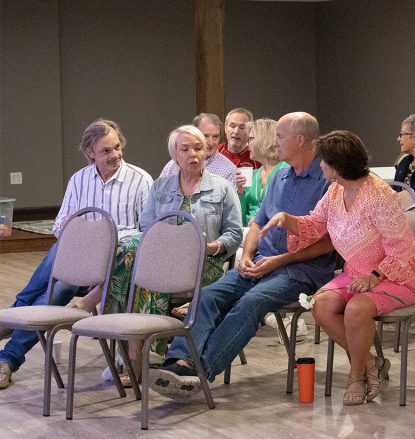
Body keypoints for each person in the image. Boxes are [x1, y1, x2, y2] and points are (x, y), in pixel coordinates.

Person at [149, 112, 337, 398]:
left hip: (301, 271)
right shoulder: (280, 176)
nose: (275, 142)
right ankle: (178, 362)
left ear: (300, 140)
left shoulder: (327, 179)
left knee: (251, 302)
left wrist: (280, 260)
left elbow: (331, 242)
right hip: (261, 262)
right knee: (208, 295)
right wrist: (248, 255)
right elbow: (257, 223)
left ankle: (199, 372)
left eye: (280, 137)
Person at [262, 130, 415, 405]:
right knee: (319, 305)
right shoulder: (336, 190)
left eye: (323, 161)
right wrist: (287, 219)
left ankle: (356, 375)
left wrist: (373, 278)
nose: (320, 165)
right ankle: (371, 363)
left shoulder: (380, 195)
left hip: (397, 275)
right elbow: (315, 224)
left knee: (356, 308)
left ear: (337, 168)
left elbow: (402, 247)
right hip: (356, 274)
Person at [71, 125, 242, 387]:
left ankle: (128, 352)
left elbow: (234, 233)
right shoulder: (161, 187)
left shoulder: (222, 188)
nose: (193, 154)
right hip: (163, 259)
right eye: (185, 149)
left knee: (137, 272)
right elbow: (146, 227)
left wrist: (214, 246)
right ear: (174, 154)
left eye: (198, 148)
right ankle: (131, 351)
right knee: (133, 259)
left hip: (204, 263)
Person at [0, 119, 153, 389]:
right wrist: (70, 226)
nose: (115, 155)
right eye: (106, 150)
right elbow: (59, 225)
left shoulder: (140, 180)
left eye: (117, 147)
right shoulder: (79, 179)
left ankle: (9, 332)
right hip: (78, 255)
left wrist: (105, 237)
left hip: (114, 261)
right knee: (59, 269)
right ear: (90, 152)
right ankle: (10, 344)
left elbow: (147, 233)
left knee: (58, 289)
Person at [160, 113, 238, 183]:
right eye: (205, 136)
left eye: (215, 137)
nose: (210, 143)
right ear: (194, 134)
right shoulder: (171, 166)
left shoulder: (229, 170)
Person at [239, 118, 287, 225]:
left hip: (274, 232)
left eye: (251, 139)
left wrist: (259, 221)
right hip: (248, 233)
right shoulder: (253, 174)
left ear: (265, 139)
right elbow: (240, 217)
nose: (247, 145)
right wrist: (240, 193)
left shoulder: (287, 170)